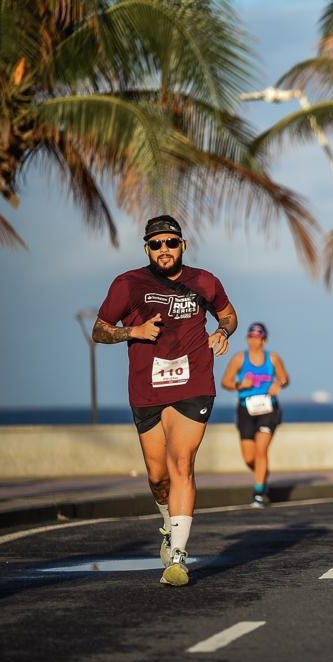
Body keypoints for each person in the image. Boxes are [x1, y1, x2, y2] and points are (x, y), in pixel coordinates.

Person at [93, 214, 236, 587]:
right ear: (147, 249)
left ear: (182, 245)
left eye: (171, 242)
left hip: (194, 382)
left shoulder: (204, 281)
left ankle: (179, 556)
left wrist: (222, 331)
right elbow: (99, 330)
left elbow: (229, 315)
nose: (164, 250)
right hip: (147, 389)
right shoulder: (128, 284)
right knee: (158, 478)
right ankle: (166, 520)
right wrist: (133, 331)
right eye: (156, 244)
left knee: (182, 463)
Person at [221, 322, 289, 508]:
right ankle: (262, 473)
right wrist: (239, 385)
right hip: (246, 409)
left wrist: (279, 384)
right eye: (251, 337)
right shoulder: (239, 359)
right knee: (249, 457)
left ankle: (259, 492)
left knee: (261, 450)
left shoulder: (273, 359)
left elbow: (284, 378)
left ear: (264, 339)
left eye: (257, 337)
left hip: (268, 409)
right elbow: (225, 381)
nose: (253, 341)